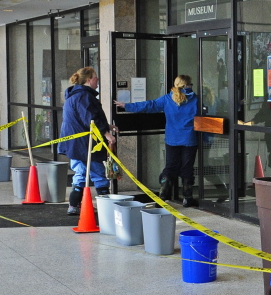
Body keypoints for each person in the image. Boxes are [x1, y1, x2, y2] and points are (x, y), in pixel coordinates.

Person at [116, 75, 200, 207]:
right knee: (187, 168)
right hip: (190, 139)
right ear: (188, 85)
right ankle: (187, 198)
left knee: (170, 167)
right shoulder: (195, 100)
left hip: (172, 139)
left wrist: (127, 106)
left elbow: (149, 105)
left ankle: (162, 197)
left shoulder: (168, 98)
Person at [58, 67, 116, 215]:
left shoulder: (74, 96)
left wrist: (106, 126)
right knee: (98, 174)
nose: (97, 80)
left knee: (80, 173)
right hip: (87, 144)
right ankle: (105, 206)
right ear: (89, 80)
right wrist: (106, 133)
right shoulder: (84, 96)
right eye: (95, 77)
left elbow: (82, 118)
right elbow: (90, 118)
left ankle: (73, 205)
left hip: (75, 144)